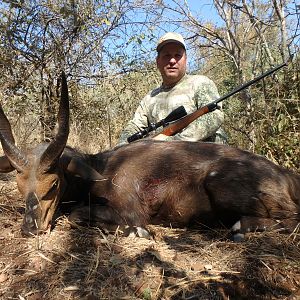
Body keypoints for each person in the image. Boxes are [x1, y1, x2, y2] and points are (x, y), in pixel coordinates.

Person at [118, 32, 226, 145]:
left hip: (203, 155)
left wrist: (173, 141)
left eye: (177, 55)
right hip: (161, 155)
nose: (172, 61)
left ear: (186, 60)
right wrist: (121, 147)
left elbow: (214, 116)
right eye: (167, 56)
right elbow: (135, 126)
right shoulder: (149, 98)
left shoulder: (200, 83)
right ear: (157, 62)